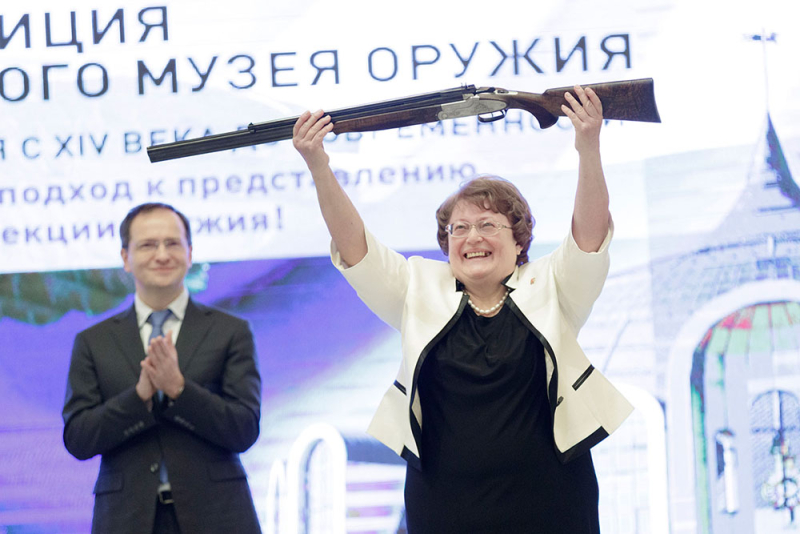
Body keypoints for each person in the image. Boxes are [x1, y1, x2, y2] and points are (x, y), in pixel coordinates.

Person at [293, 85, 633, 533]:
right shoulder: (417, 288)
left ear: (519, 241)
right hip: (444, 505)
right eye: (459, 228)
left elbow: (590, 237)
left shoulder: (552, 284)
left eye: (488, 225)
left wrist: (588, 146)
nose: (472, 237)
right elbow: (356, 248)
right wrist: (319, 165)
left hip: (552, 502)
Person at [62, 203, 262, 534]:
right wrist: (139, 396)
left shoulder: (231, 331)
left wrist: (179, 390)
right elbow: (79, 439)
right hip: (126, 519)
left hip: (218, 515)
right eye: (147, 245)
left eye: (172, 243)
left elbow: (244, 429)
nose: (162, 255)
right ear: (125, 257)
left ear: (190, 253)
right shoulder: (93, 342)